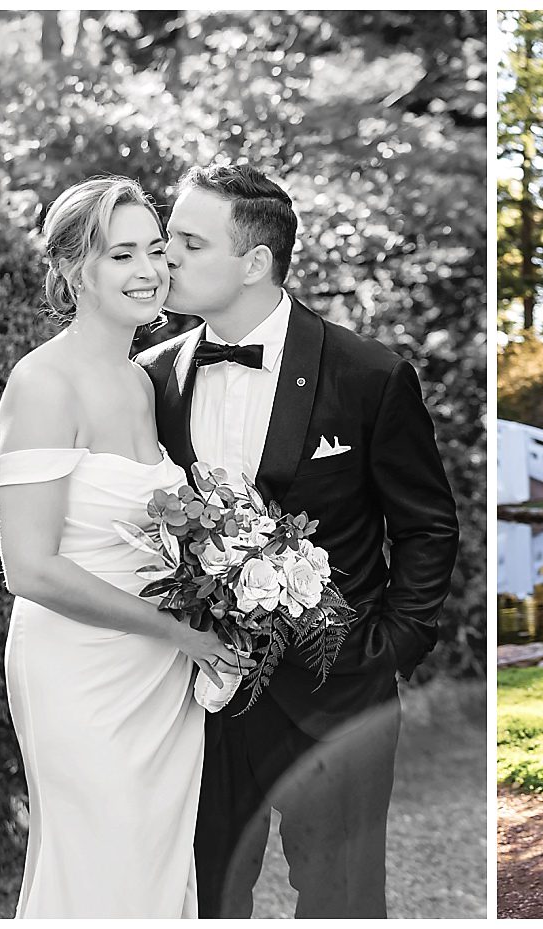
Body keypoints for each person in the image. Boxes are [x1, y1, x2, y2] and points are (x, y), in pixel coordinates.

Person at [135, 163, 460, 918]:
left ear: (255, 262)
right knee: (205, 899)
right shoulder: (150, 378)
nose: (165, 257)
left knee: (340, 903)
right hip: (198, 702)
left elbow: (426, 525)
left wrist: (393, 645)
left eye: (187, 241)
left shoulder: (369, 375)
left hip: (339, 694)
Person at [0, 176, 252, 917]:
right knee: (98, 865)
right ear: (76, 271)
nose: (149, 272)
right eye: (122, 255)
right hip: (79, 671)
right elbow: (30, 567)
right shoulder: (43, 384)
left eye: (157, 252)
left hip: (160, 676)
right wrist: (182, 631)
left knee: (153, 868)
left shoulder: (140, 382)